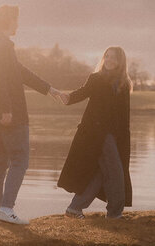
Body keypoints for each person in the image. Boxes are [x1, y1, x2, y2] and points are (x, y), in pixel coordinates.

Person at [0, 5, 65, 225]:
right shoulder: (2, 47)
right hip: (9, 115)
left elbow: (20, 72)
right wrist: (6, 109)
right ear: (8, 21)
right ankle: (6, 208)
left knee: (0, 161)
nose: (18, 24)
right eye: (16, 20)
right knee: (19, 159)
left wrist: (48, 89)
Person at [57, 46, 132, 219]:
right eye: (107, 56)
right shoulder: (96, 79)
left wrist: (124, 140)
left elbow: (124, 116)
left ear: (121, 61)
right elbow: (82, 93)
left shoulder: (124, 83)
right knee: (115, 172)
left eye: (114, 57)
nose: (110, 60)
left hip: (114, 136)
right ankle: (115, 214)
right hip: (95, 134)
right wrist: (66, 97)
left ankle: (74, 209)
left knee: (100, 174)